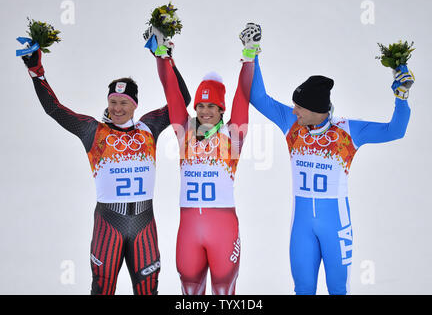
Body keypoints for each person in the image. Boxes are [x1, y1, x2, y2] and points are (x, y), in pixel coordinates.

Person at [249, 27, 414, 295]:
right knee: (303, 288)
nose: (293, 111)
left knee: (338, 289)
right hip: (302, 227)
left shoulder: (348, 132)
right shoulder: (292, 124)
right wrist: (251, 53)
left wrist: (402, 97)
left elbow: (396, 130)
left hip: (336, 226)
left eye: (299, 107)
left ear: (317, 110)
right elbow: (257, 98)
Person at [21, 44, 190, 294]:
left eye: (124, 102)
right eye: (112, 101)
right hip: (108, 224)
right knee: (102, 289)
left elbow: (182, 100)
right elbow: (55, 109)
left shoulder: (149, 127)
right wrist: (36, 71)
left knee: (148, 290)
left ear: (135, 105)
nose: (117, 108)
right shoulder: (93, 131)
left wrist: (165, 57)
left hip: (144, 224)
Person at [144, 23, 259, 295]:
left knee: (224, 292)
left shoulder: (234, 135)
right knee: (190, 294)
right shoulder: (184, 132)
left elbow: (243, 95)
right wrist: (162, 55)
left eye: (212, 106)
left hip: (223, 230)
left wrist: (249, 56)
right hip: (189, 232)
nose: (205, 111)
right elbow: (171, 92)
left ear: (221, 110)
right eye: (200, 106)